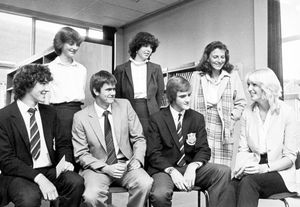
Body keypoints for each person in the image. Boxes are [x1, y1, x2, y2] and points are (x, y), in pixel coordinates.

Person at [0, 64, 84, 207]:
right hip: (20, 174)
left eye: (47, 83)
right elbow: (6, 160)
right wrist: (38, 178)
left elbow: (63, 143)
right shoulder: (4, 116)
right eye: (43, 84)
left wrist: (67, 161)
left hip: (50, 169)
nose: (47, 89)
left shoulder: (50, 113)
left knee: (76, 182)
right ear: (27, 84)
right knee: (29, 198)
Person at [146, 76, 235, 207]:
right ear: (171, 97)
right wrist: (172, 171)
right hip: (164, 170)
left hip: (189, 167)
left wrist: (192, 167)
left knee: (223, 171)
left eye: (189, 95)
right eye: (182, 96)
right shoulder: (156, 119)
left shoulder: (197, 118)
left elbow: (204, 149)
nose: (188, 99)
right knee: (160, 195)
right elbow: (153, 154)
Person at [72, 70, 153, 207]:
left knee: (145, 183)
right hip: (97, 168)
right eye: (108, 89)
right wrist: (106, 168)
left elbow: (139, 138)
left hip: (125, 165)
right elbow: (81, 154)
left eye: (114, 89)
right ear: (96, 91)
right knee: (91, 196)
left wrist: (138, 159)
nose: (113, 93)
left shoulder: (124, 105)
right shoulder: (80, 117)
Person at [230, 68, 299, 207]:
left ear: (267, 87)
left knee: (248, 182)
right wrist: (241, 167)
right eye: (248, 84)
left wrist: (265, 168)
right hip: (254, 169)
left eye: (254, 85)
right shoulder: (247, 113)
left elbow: (290, 158)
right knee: (230, 186)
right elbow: (243, 149)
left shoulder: (287, 112)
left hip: (280, 173)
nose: (249, 89)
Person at [190, 41, 246, 167]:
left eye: (222, 57)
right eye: (215, 57)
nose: (219, 60)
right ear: (207, 58)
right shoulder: (197, 76)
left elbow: (241, 102)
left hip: (223, 126)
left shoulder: (232, 76)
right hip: (201, 124)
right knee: (202, 162)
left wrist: (232, 119)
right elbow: (189, 103)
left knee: (222, 167)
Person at [48, 27, 87, 167]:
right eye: (71, 43)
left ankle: (79, 180)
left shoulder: (82, 69)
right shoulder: (50, 68)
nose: (75, 47)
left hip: (79, 110)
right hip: (58, 112)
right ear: (61, 44)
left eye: (77, 44)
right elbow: (46, 96)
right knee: (63, 147)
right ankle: (66, 179)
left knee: (81, 146)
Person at [114, 31, 164, 134]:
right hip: (129, 110)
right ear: (136, 48)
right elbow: (117, 96)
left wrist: (155, 109)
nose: (148, 49)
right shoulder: (121, 69)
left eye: (151, 47)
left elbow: (160, 94)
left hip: (151, 111)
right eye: (145, 46)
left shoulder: (156, 68)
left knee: (151, 142)